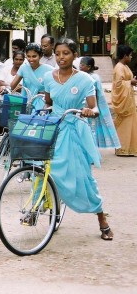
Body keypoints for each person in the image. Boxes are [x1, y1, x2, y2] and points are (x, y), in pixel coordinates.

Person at [43, 37, 113, 241]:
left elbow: (95, 107)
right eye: (57, 54)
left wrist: (89, 111)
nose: (60, 57)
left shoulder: (84, 79)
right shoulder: (49, 76)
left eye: (65, 53)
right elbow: (48, 101)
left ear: (74, 55)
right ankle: (39, 208)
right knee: (43, 171)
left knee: (83, 176)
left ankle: (102, 219)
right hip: (53, 130)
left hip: (74, 131)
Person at [79, 56, 120, 149]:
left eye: (82, 65)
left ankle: (92, 151)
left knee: (91, 129)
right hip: (82, 106)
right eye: (80, 64)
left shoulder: (94, 77)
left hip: (91, 106)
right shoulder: (81, 76)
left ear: (88, 67)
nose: (80, 66)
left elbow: (98, 94)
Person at [11, 42, 54, 109]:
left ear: (40, 56)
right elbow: (13, 86)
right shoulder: (24, 68)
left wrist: (46, 92)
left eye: (34, 56)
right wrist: (21, 88)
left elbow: (55, 88)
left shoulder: (49, 70)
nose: (31, 59)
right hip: (26, 103)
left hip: (42, 104)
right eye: (28, 56)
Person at [111, 45, 137, 156]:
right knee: (124, 125)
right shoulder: (119, 67)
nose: (131, 57)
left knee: (131, 124)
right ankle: (122, 148)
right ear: (125, 55)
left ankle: (130, 148)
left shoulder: (124, 66)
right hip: (124, 101)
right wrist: (130, 82)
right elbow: (118, 85)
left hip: (129, 99)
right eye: (130, 55)